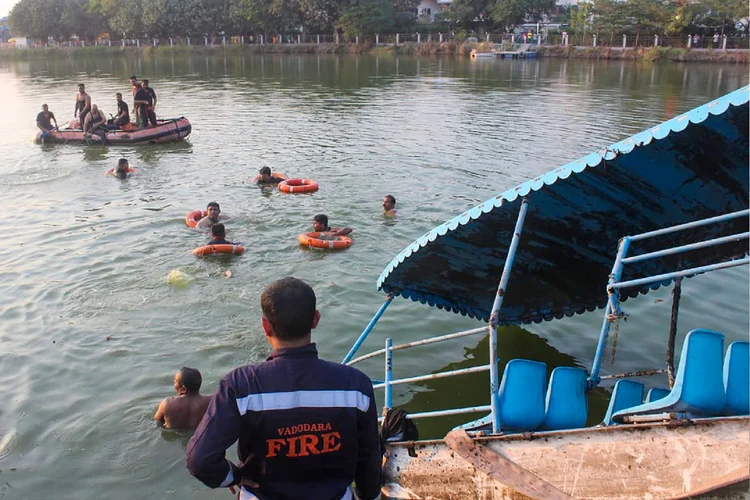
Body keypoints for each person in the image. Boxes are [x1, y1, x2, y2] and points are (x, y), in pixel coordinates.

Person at [186, 277, 382, 500]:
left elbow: (199, 460)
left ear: (265, 326)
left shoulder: (240, 385)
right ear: (315, 319)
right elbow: (369, 458)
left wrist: (233, 476)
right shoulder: (356, 386)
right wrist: (367, 494)